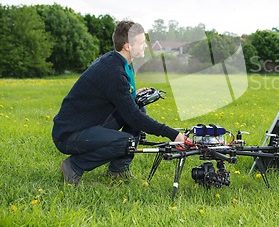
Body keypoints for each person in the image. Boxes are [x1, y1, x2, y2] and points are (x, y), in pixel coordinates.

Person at [52, 21, 185, 185]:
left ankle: (118, 171)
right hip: (70, 134)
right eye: (142, 42)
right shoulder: (113, 71)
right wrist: (173, 134)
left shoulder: (121, 62)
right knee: (127, 139)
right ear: (128, 46)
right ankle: (74, 167)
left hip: (90, 125)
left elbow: (123, 98)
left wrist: (134, 95)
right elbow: (132, 116)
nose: (145, 46)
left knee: (139, 108)